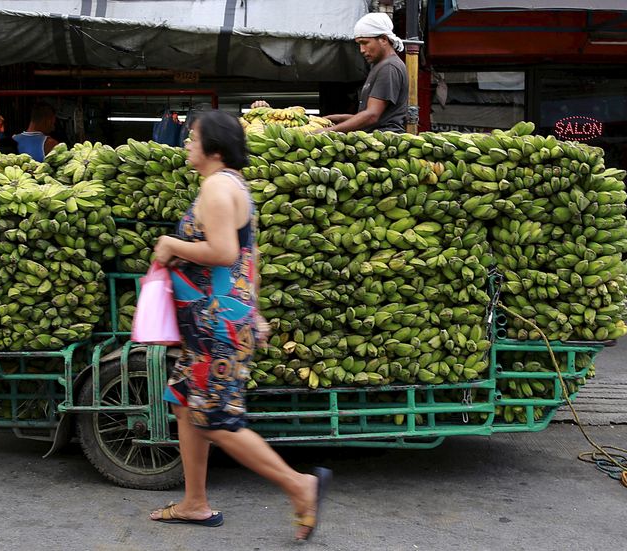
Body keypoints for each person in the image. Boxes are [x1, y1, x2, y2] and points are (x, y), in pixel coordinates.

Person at [150, 110, 332, 542]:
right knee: (182, 401)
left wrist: (170, 244)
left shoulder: (216, 186)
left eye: (193, 138)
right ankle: (194, 503)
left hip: (215, 325)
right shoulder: (235, 186)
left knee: (216, 420)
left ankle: (299, 485)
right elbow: (253, 259)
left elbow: (226, 252)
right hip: (217, 320)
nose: (187, 144)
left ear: (213, 149)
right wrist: (255, 310)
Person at [323, 12, 408, 133]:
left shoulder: (389, 67)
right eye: (359, 44)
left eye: (365, 43)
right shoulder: (380, 66)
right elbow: (379, 117)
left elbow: (372, 116)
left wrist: (328, 131)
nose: (362, 50)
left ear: (383, 39)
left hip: (384, 142)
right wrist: (338, 118)